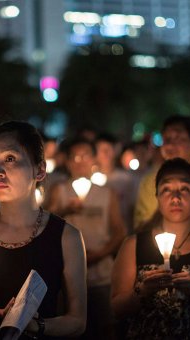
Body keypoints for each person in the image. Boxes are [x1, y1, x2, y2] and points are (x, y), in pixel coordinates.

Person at [0, 121, 87, 339]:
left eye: (10, 159)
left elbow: (77, 321)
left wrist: (35, 325)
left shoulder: (66, 236)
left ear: (39, 170)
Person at [111, 158, 190, 339]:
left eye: (185, 189)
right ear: (157, 198)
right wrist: (142, 292)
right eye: (166, 189)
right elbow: (117, 309)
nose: (176, 198)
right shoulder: (133, 245)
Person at [46, 138, 126, 339]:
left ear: (94, 160)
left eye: (85, 156)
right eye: (75, 157)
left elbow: (119, 232)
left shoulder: (107, 193)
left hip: (101, 276)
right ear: (68, 162)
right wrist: (64, 209)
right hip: (66, 274)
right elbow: (45, 223)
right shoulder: (60, 190)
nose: (80, 161)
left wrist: (99, 254)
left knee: (105, 328)